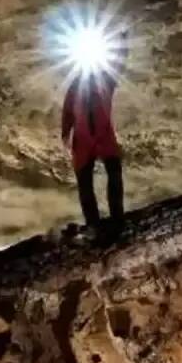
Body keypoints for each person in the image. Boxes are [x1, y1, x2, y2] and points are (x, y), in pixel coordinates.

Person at [61, 54, 125, 234]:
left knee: (114, 174)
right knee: (85, 184)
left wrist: (123, 43)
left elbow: (118, 65)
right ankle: (93, 223)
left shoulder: (104, 80)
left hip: (103, 135)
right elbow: (67, 110)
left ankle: (117, 218)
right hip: (83, 140)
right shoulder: (75, 86)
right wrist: (65, 133)